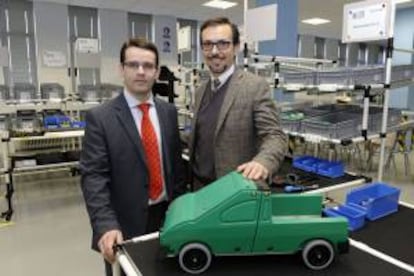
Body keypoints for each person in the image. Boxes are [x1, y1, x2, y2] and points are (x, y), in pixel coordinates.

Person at [80, 37, 185, 275]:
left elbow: (176, 168)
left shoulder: (168, 113)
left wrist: (179, 210)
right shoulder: (101, 118)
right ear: (121, 69)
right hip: (123, 222)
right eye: (133, 65)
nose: (141, 72)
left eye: (148, 66)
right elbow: (94, 177)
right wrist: (106, 225)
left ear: (157, 72)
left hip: (167, 218)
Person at [189, 17, 287, 190]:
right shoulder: (200, 91)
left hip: (234, 191)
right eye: (207, 44)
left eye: (223, 44)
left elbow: (275, 136)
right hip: (199, 188)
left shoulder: (254, 87)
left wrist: (262, 163)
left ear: (236, 47)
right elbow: (203, 136)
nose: (214, 51)